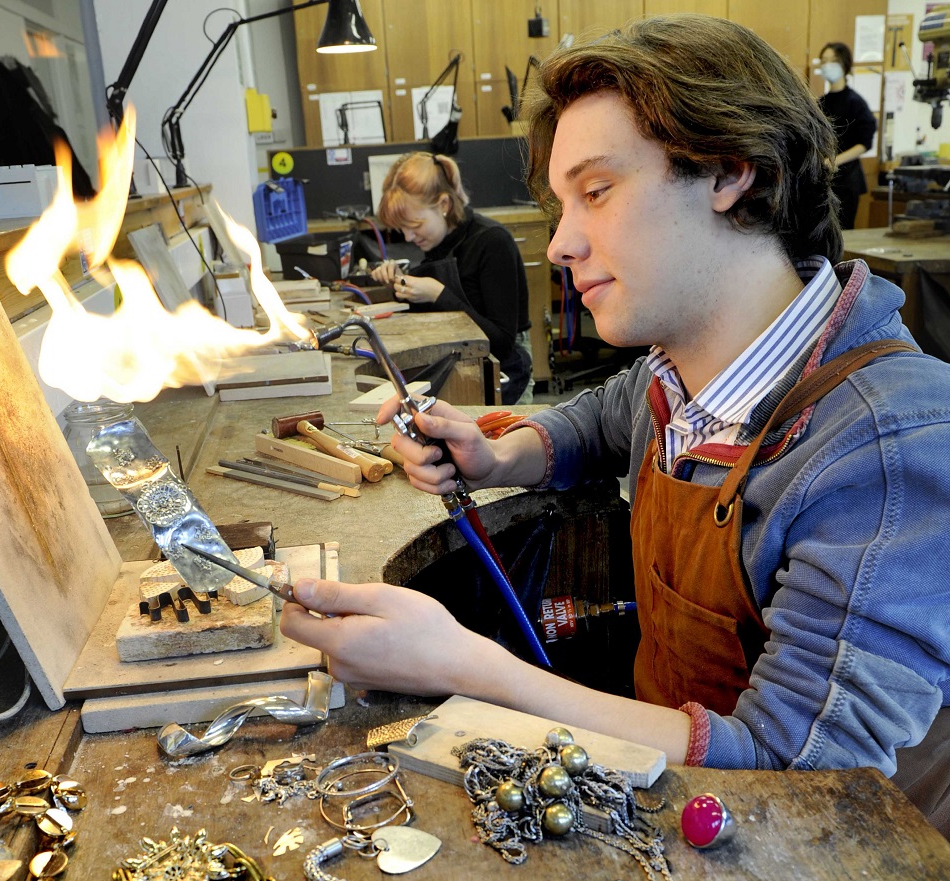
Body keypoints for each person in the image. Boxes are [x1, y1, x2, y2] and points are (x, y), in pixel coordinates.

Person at [282, 15, 950, 836]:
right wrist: (498, 454)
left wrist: (471, 667)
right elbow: (608, 413)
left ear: (730, 170)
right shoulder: (686, 365)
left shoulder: (887, 448)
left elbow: (799, 772)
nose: (561, 242)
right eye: (562, 205)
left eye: (595, 191)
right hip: (665, 798)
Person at [369, 152, 534, 404]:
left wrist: (438, 294)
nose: (408, 237)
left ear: (444, 205)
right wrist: (399, 284)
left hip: (505, 369)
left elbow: (501, 343)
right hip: (459, 369)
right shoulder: (438, 243)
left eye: (415, 225)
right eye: (402, 228)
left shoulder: (492, 242)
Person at [818, 41, 877, 229]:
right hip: (826, 179)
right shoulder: (821, 103)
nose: (827, 65)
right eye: (823, 61)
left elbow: (864, 142)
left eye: (832, 60)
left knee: (843, 232)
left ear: (844, 65)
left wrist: (836, 160)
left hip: (847, 179)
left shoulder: (855, 102)